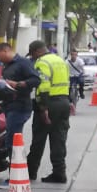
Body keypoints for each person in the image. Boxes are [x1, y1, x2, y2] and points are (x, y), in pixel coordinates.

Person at [25, 40, 70, 183]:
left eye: (32, 55)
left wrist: (43, 108)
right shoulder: (60, 61)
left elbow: (43, 86)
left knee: (38, 139)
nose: (33, 58)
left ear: (37, 51)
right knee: (59, 139)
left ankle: (30, 172)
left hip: (49, 103)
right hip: (63, 102)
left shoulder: (42, 62)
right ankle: (59, 172)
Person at [0, 42, 40, 165]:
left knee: (13, 141)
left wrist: (18, 84)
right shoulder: (6, 66)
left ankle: (16, 175)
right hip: (9, 106)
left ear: (5, 51)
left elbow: (36, 79)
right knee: (7, 140)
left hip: (20, 107)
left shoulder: (23, 63)